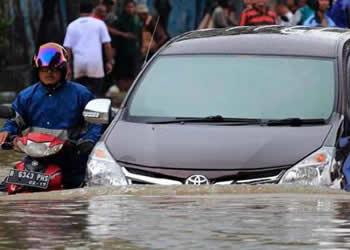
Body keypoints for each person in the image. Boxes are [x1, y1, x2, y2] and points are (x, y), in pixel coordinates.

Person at [0, 42, 103, 188]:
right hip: (35, 160)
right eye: (44, 69)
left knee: (80, 189)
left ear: (63, 70)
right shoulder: (26, 96)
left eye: (54, 69)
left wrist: (88, 141)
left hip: (71, 162)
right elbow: (15, 119)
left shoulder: (81, 94)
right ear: (37, 71)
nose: (49, 73)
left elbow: (97, 122)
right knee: (6, 188)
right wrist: (7, 132)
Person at [63, 2, 114, 97]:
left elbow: (67, 48)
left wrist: (68, 67)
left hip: (79, 64)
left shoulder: (72, 25)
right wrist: (109, 62)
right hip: (96, 64)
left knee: (81, 93)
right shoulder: (99, 24)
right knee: (96, 93)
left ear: (79, 11)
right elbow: (107, 45)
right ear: (93, 10)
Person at [111, 0, 143, 91]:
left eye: (132, 7)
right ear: (125, 8)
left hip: (134, 52)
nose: (130, 9)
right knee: (122, 74)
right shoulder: (119, 20)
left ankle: (130, 91)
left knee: (133, 73)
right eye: (128, 7)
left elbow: (139, 36)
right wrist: (123, 34)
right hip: (122, 53)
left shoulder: (136, 20)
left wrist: (140, 48)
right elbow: (111, 30)